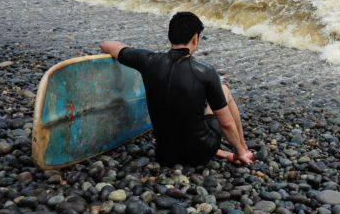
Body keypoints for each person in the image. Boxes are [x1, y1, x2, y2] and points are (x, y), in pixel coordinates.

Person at [99, 12, 253, 167]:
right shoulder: (205, 71)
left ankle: (223, 151)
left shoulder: (147, 60)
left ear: (170, 36)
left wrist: (129, 52)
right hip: (200, 154)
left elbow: (106, 45)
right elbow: (226, 123)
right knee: (224, 89)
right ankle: (243, 149)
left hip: (165, 155)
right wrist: (238, 151)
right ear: (195, 39)